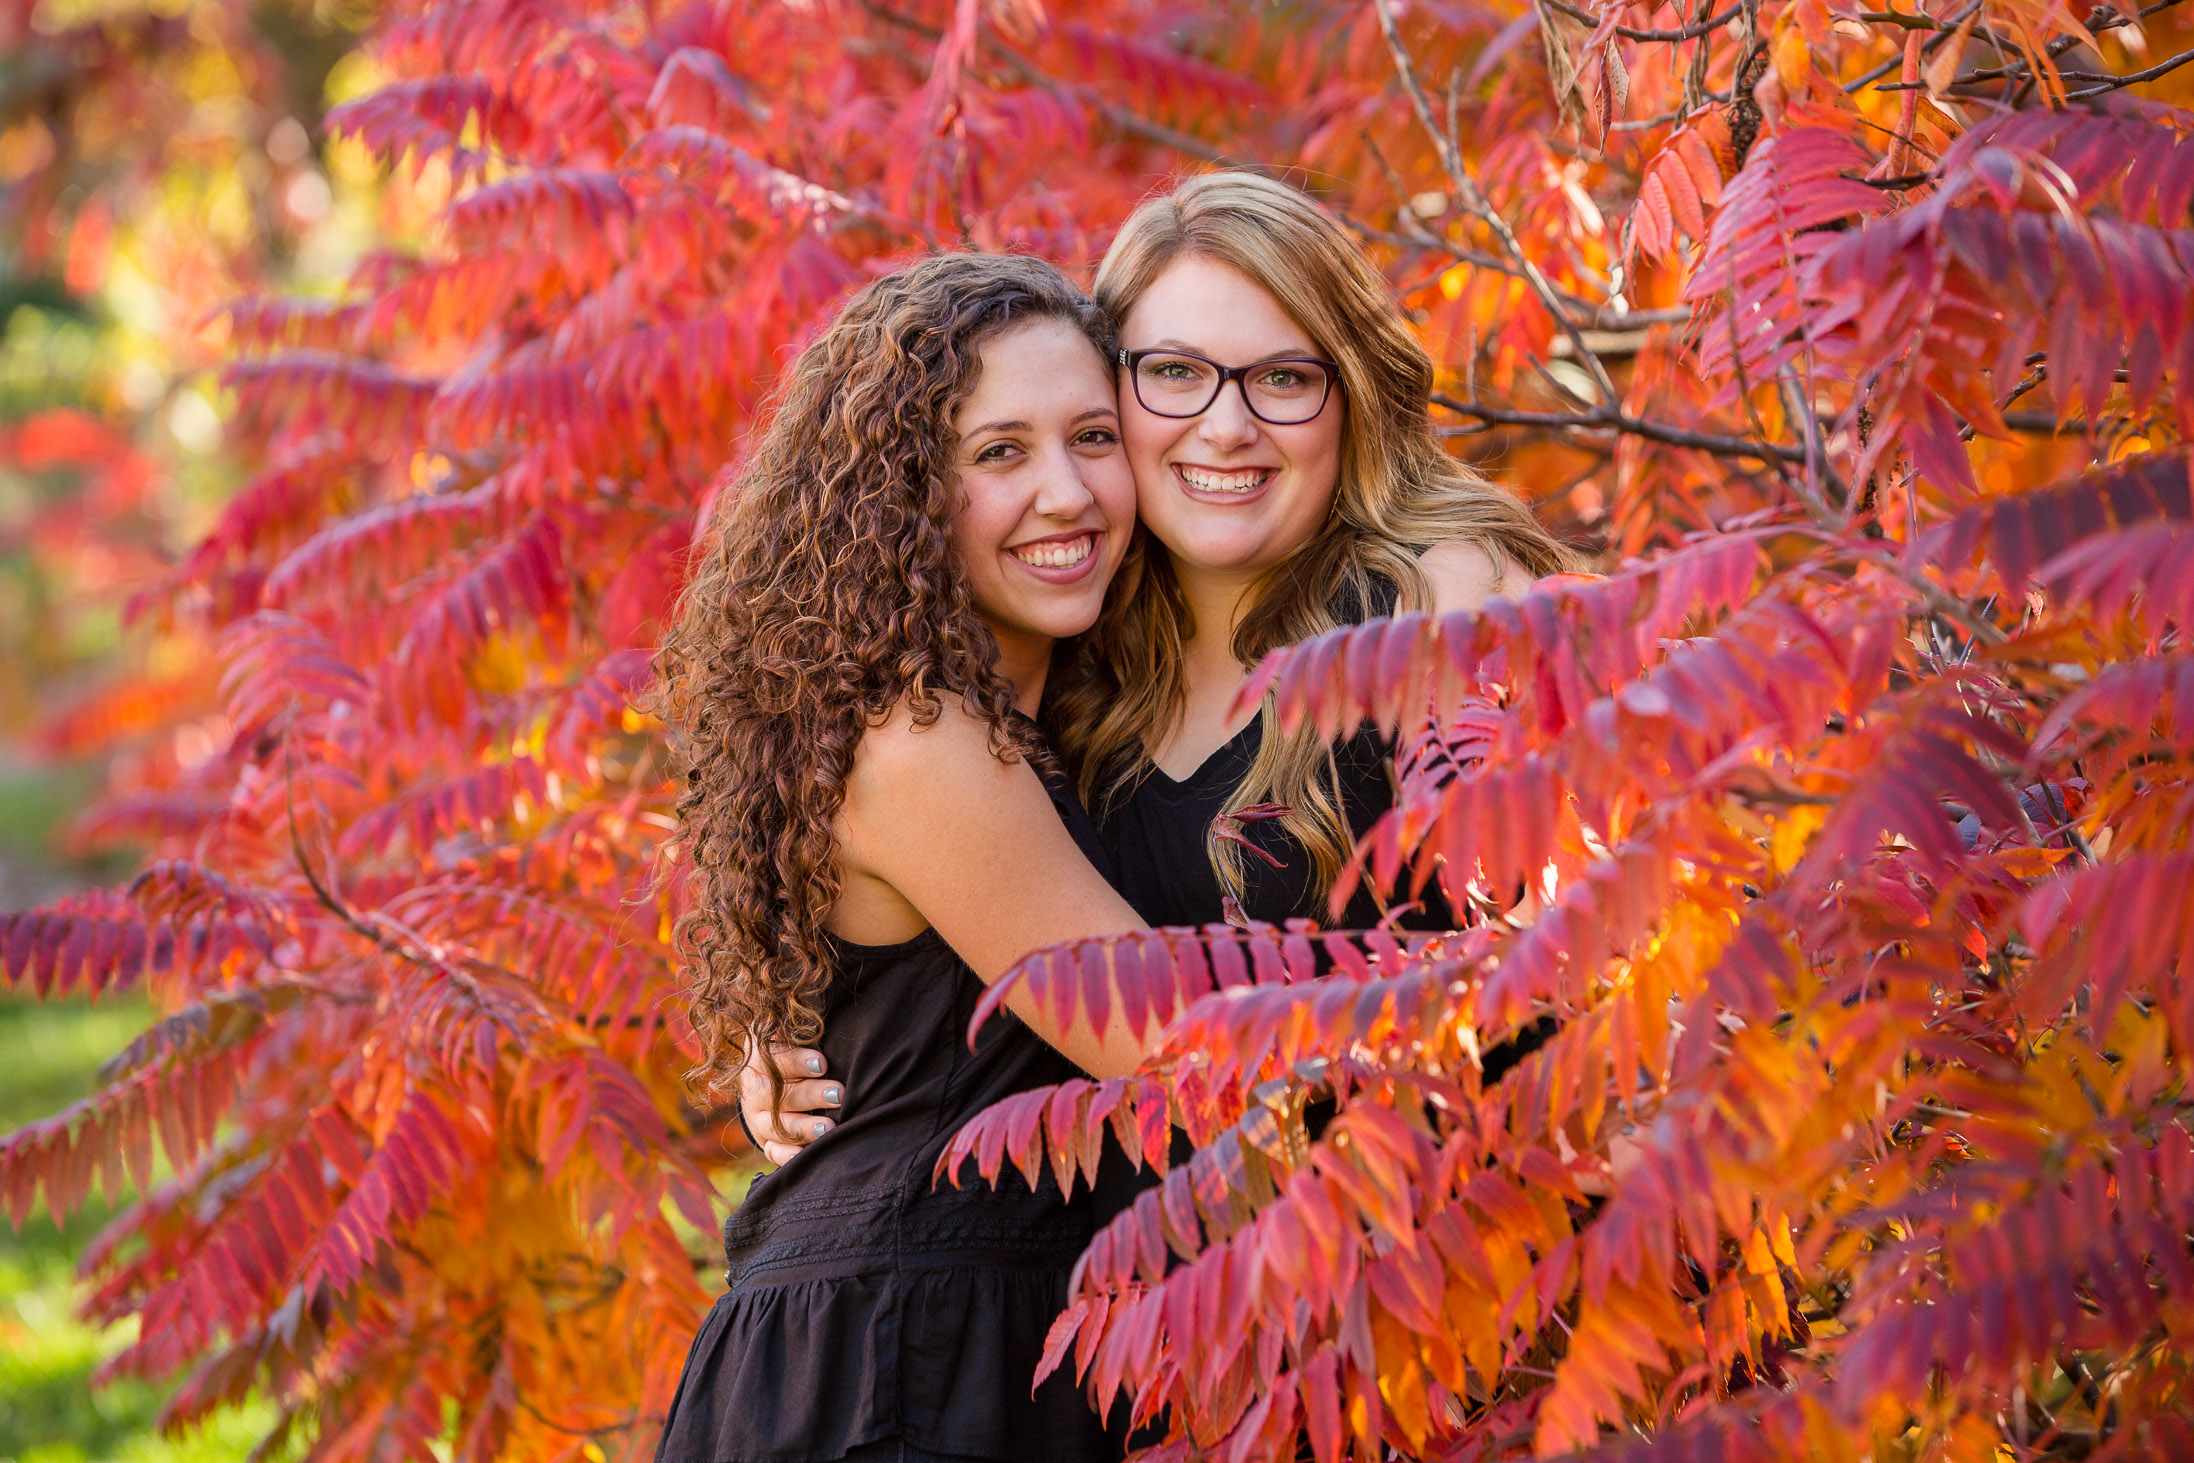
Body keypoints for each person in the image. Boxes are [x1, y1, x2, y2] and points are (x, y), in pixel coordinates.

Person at [743, 171, 1578, 1162]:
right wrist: (799, 1014)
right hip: (1148, 1302)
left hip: (1442, 1265)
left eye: (1282, 377)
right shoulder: (1069, 663)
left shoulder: (1441, 599)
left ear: (1349, 394)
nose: (1226, 427)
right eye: (1174, 373)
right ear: (1109, 393)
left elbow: (1597, 964)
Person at [650, 251, 1152, 1463]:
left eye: (1094, 435)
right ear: (902, 500)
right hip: (893, 1362)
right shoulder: (924, 739)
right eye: (998, 453)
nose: (1068, 491)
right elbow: (1172, 1043)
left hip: (963, 1336)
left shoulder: (1043, 711)